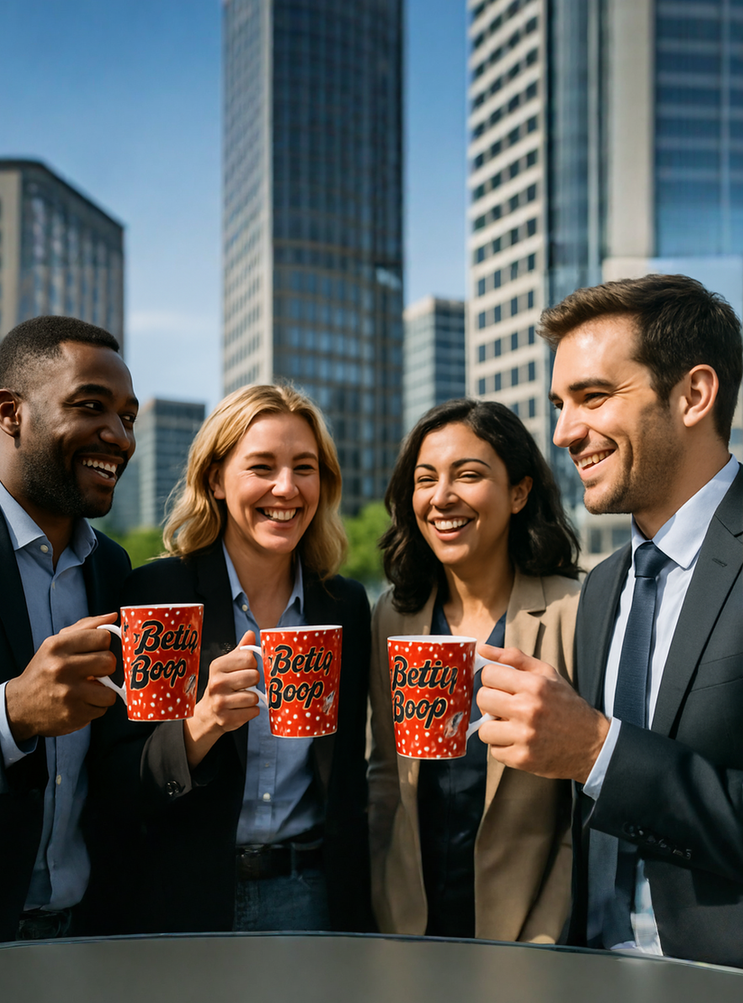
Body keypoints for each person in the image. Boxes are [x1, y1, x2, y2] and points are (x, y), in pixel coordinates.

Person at [476, 274, 743, 967]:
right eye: (559, 405)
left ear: (693, 394)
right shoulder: (602, 590)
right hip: (592, 986)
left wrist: (598, 748)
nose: (564, 432)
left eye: (593, 396)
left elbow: (605, 760)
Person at [120, 384, 373, 933]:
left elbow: (352, 773)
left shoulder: (345, 605)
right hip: (184, 901)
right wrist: (201, 724)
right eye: (261, 466)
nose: (286, 487)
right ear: (215, 479)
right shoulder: (159, 595)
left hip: (310, 897)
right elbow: (117, 782)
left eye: (304, 467)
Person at [0, 315, 138, 947]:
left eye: (127, 418)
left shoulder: (114, 567)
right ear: (10, 412)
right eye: (90, 406)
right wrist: (9, 715)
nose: (117, 436)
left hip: (89, 933)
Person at [368, 398, 581, 941]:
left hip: (527, 936)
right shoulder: (394, 616)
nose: (442, 498)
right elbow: (386, 777)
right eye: (425, 479)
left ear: (519, 491)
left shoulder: (573, 613)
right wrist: (380, 902)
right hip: (408, 930)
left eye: (468, 475)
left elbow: (584, 808)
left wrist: (547, 932)